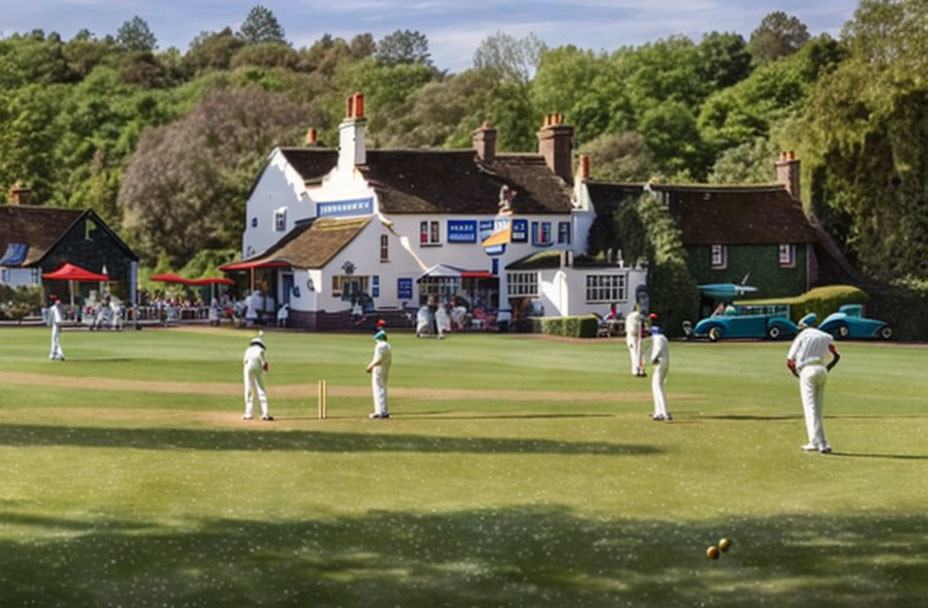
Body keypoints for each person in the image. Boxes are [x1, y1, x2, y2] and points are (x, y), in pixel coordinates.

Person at [786, 314, 840, 454]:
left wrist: (798, 375)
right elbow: (836, 356)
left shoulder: (803, 335)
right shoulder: (826, 336)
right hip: (821, 369)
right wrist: (825, 370)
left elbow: (790, 361)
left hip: (807, 370)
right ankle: (816, 442)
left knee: (810, 408)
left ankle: (821, 443)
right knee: (817, 407)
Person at [243, 332, 273, 421]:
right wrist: (263, 368)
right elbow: (264, 363)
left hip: (247, 367)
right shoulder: (260, 350)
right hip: (256, 366)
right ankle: (265, 414)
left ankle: (248, 413)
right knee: (261, 389)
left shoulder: (248, 350)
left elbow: (245, 362)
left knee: (249, 389)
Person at [365, 327, 393, 419]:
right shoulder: (388, 345)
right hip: (385, 369)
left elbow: (379, 359)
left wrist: (370, 366)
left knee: (378, 389)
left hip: (379, 370)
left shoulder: (380, 346)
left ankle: (379, 412)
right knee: (382, 389)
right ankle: (383, 411)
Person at [648, 325, 672, 421]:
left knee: (657, 386)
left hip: (659, 362)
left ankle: (663, 412)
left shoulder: (657, 338)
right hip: (665, 362)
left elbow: (657, 349)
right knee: (658, 385)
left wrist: (652, 359)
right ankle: (658, 411)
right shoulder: (664, 338)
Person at [624, 306, 646, 377]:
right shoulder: (634, 316)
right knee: (636, 354)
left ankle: (639, 370)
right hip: (633, 337)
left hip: (635, 337)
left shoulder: (630, 316)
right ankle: (637, 370)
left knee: (637, 354)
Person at [48, 295, 65, 361]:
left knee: (55, 339)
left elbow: (52, 318)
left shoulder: (54, 307)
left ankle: (57, 354)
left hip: (56, 324)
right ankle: (54, 354)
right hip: (58, 323)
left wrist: (49, 324)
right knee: (55, 339)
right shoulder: (58, 306)